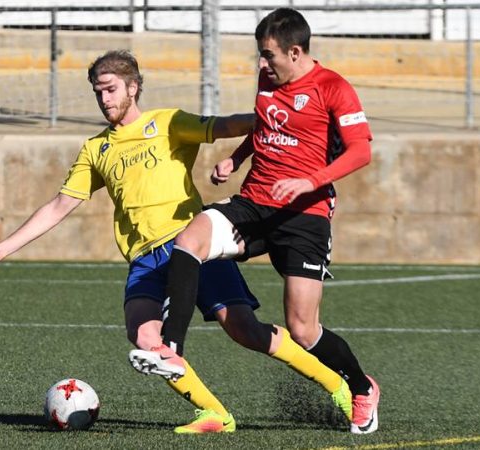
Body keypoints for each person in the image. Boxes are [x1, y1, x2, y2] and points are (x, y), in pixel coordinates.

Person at [0, 50, 352, 434]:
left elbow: (227, 125)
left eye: (111, 90)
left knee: (243, 330)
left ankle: (338, 385)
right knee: (144, 336)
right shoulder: (96, 149)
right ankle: (215, 413)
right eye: (98, 92)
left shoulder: (167, 123)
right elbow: (61, 204)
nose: (104, 100)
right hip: (145, 261)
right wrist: (5, 247)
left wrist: (276, 122)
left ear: (133, 87)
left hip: (191, 246)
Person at [129, 8, 381, 435]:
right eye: (259, 57)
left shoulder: (333, 87)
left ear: (295, 52)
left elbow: (361, 152)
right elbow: (267, 126)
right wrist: (236, 157)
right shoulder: (269, 79)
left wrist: (309, 181)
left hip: (305, 215)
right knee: (191, 239)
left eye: (268, 56)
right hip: (255, 201)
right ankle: (171, 347)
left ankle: (360, 387)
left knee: (303, 329)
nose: (261, 65)